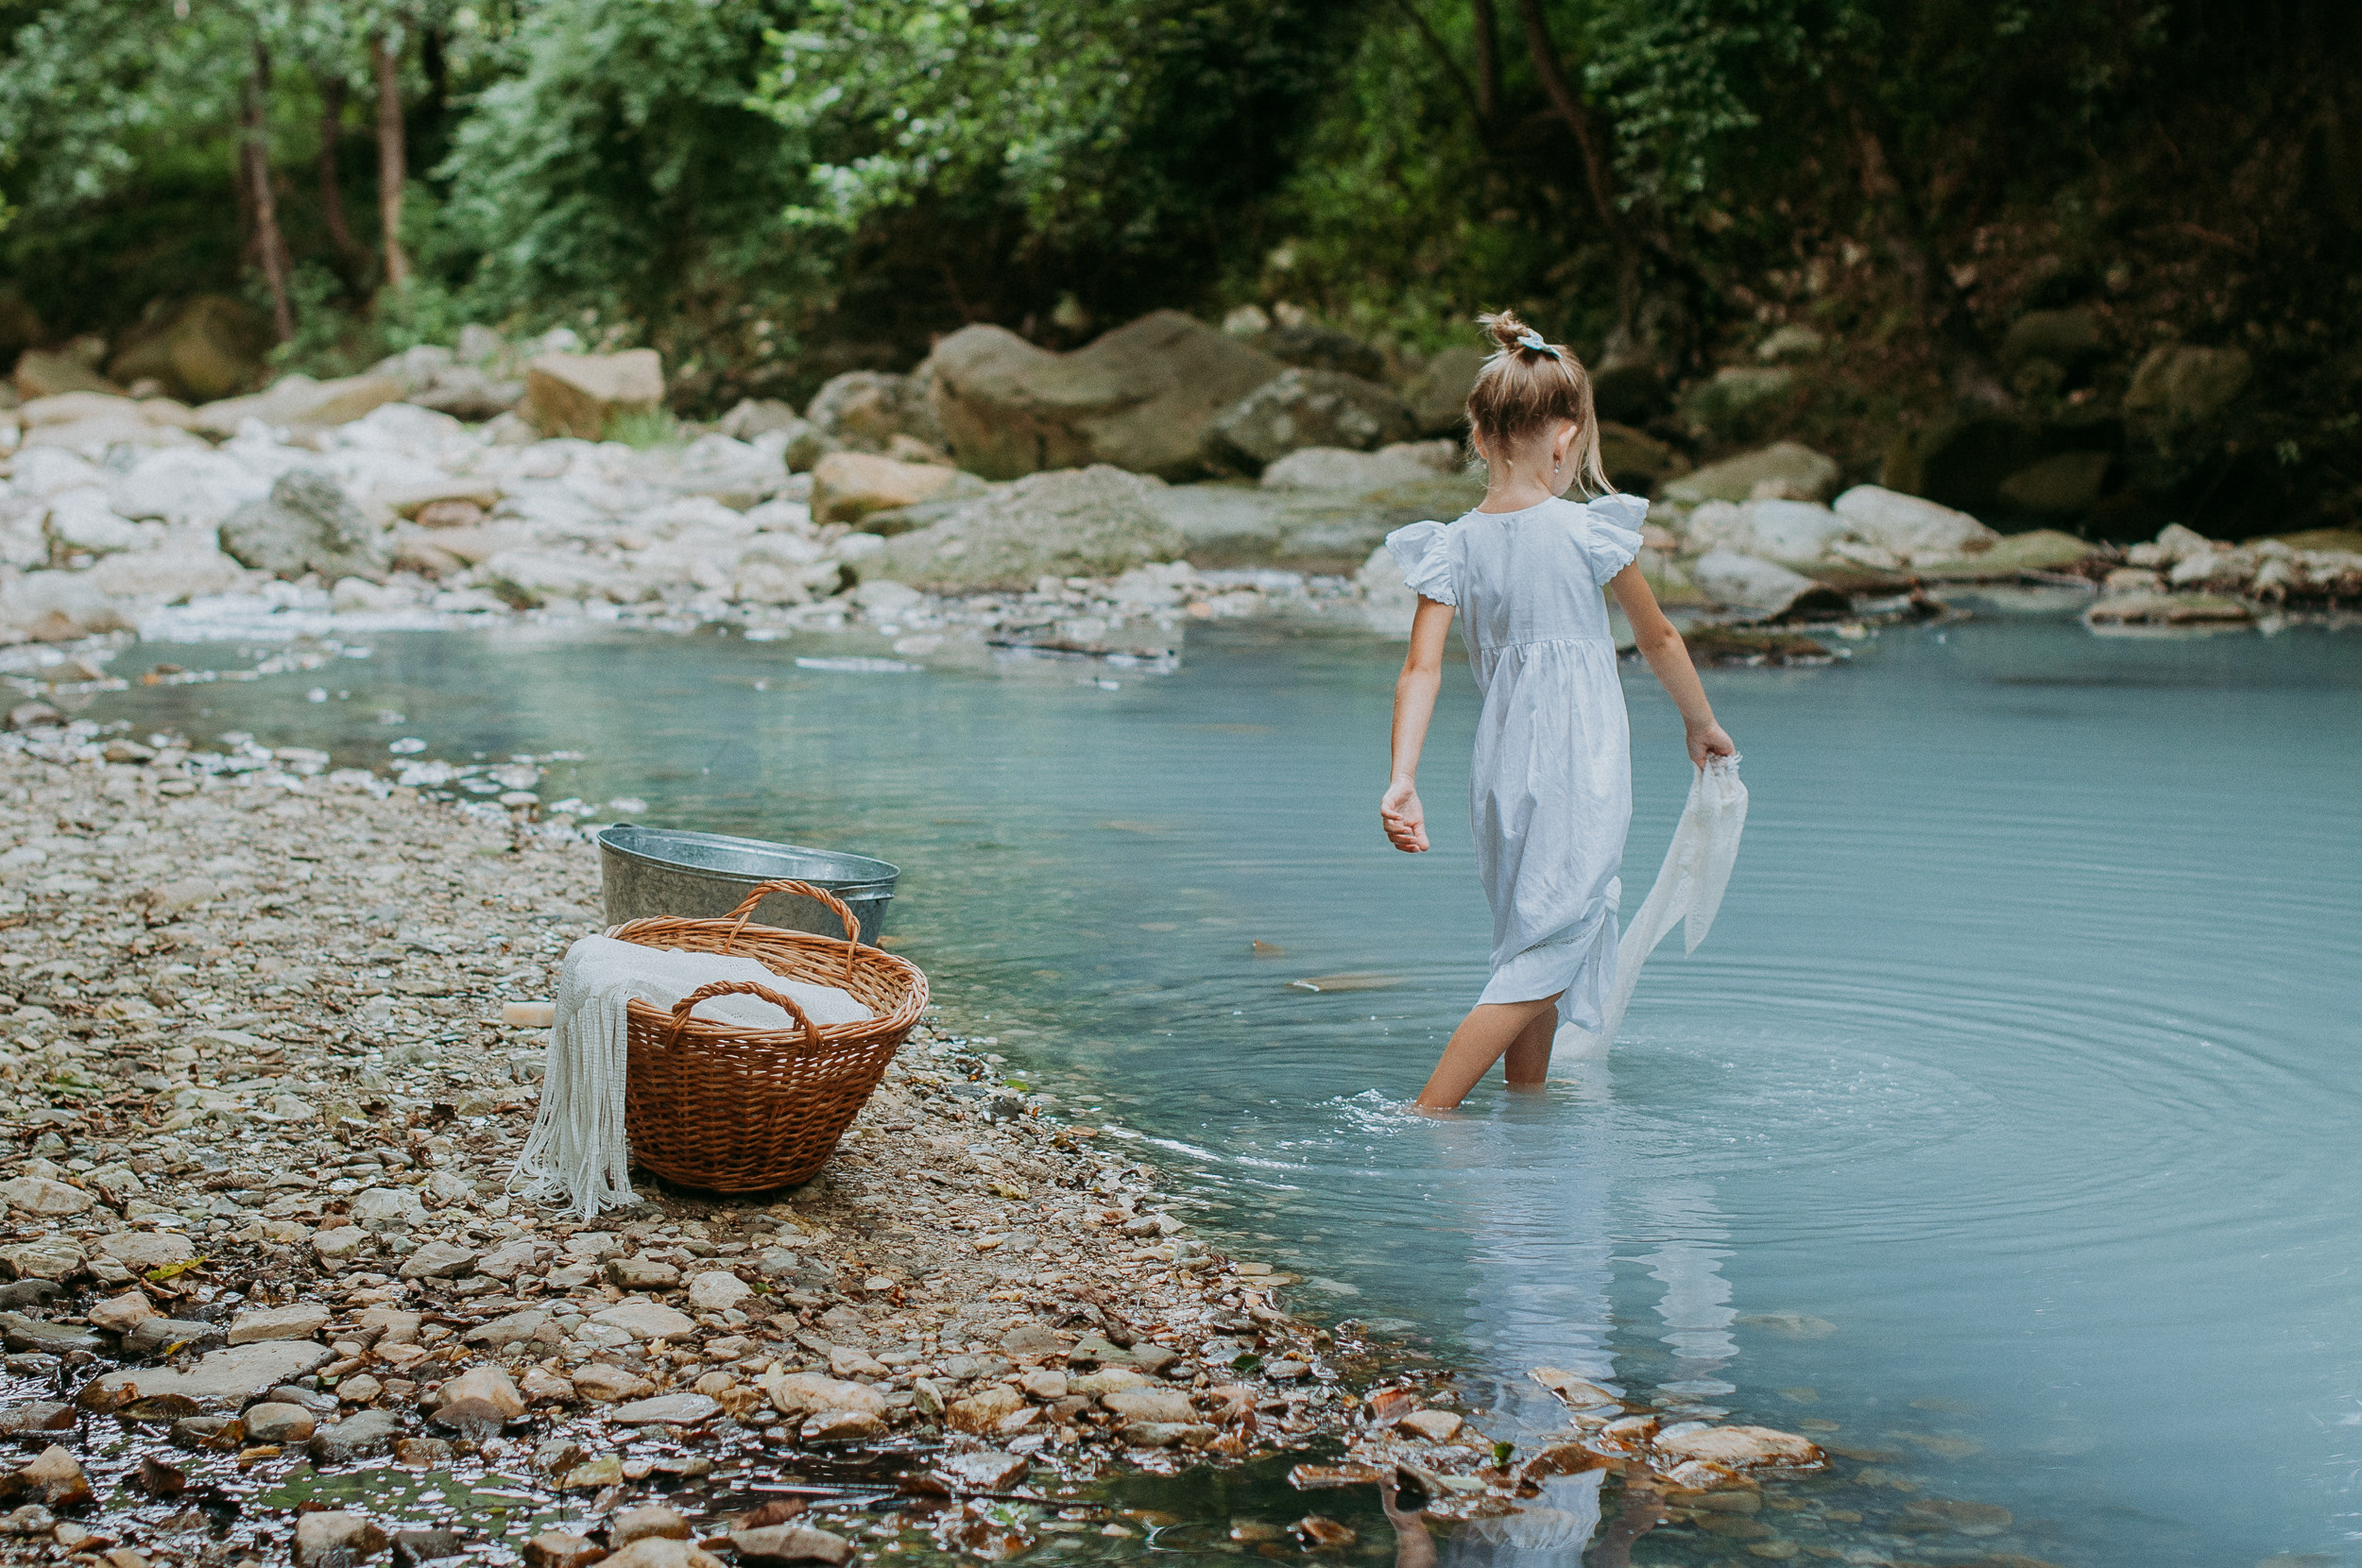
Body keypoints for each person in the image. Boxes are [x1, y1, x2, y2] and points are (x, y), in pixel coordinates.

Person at [1381, 310, 1736, 1111]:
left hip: (1500, 768)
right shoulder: (1589, 532)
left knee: (1531, 936)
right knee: (1558, 938)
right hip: (1581, 765)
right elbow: (1659, 638)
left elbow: (1420, 670)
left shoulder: (1452, 544)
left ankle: (1526, 1111)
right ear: (1568, 438)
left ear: (1478, 436)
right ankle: (1428, 1110)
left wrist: (1403, 777)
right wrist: (1700, 722)